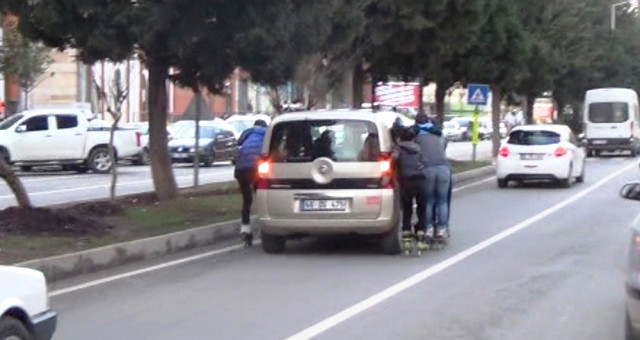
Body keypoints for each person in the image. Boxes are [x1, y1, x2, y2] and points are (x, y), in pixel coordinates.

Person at [413, 114, 452, 243]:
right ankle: (442, 229)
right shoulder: (438, 134)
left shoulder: (417, 136)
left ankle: (429, 228)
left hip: (428, 169)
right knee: (442, 201)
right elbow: (444, 146)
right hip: (444, 169)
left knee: (429, 201)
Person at [392, 127, 428, 254]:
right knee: (421, 208)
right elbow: (425, 162)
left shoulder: (398, 149)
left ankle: (406, 235)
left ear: (400, 137)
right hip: (421, 181)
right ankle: (421, 233)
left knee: (407, 209)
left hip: (406, 181)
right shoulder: (418, 148)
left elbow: (393, 159)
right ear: (413, 137)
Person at [234, 119, 268, 246]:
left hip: (240, 168)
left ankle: (245, 229)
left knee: (247, 200)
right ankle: (264, 228)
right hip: (255, 167)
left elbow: (238, 142)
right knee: (261, 198)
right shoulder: (267, 132)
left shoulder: (248, 131)